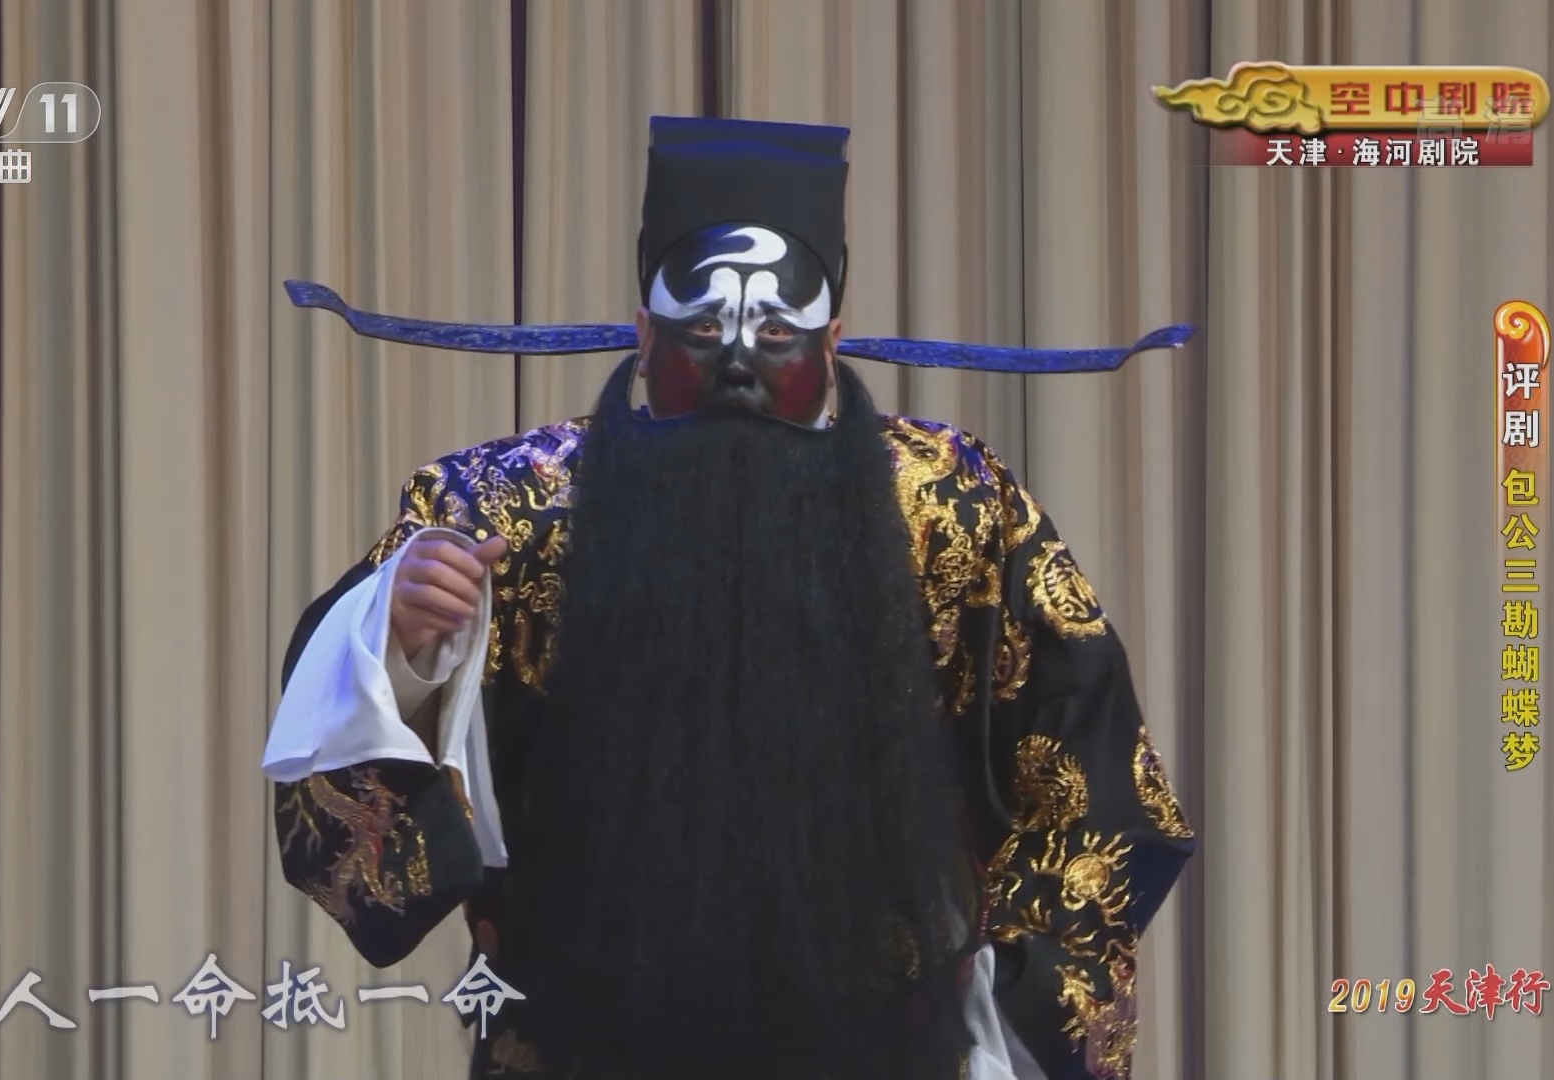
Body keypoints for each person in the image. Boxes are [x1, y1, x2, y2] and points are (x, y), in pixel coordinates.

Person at [263, 116, 1195, 1080]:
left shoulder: (950, 506)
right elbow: (341, 762)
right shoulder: (511, 507)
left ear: (834, 341)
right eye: (703, 329)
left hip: (886, 1034)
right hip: (584, 1036)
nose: (739, 363)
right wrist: (404, 645)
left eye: (779, 332)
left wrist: (1006, 994)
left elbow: (1088, 758)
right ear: (643, 333)